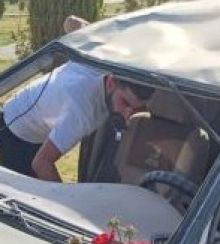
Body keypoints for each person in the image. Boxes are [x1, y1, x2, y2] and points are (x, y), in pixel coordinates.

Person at [0, 61, 154, 181]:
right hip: (14, 137)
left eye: (138, 109)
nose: (127, 115)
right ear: (111, 82)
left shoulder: (102, 62)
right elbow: (41, 163)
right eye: (125, 103)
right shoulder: (81, 112)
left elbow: (72, 24)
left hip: (31, 113)